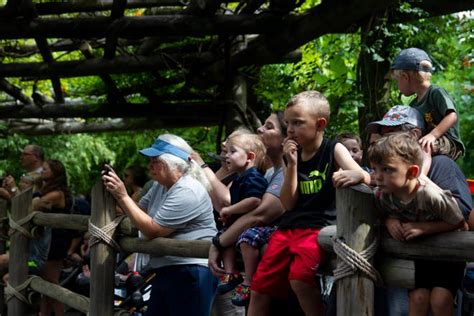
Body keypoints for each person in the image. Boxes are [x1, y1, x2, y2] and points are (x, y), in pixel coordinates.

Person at [248, 90, 371, 316]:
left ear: (320, 124)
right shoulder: (290, 154)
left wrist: (358, 175)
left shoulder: (333, 149)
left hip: (317, 229)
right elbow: (288, 203)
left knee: (300, 280)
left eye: (298, 123)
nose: (291, 129)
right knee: (259, 288)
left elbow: (367, 177)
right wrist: (292, 165)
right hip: (288, 228)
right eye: (288, 123)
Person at [366, 105, 473, 316]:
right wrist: (389, 221)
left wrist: (424, 226)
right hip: (414, 257)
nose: (383, 139)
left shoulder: (441, 166)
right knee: (417, 299)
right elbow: (379, 209)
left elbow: (461, 213)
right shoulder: (387, 182)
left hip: (446, 253)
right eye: (382, 134)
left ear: (414, 134)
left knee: (440, 300)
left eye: (391, 133)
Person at [103, 134, 218, 316]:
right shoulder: (161, 185)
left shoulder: (188, 190)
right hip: (167, 268)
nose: (149, 166)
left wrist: (122, 195)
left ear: (170, 163)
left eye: (154, 161)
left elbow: (152, 229)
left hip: (191, 271)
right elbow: (137, 211)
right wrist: (114, 193)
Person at [193, 111, 288, 314]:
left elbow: (259, 214)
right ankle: (232, 275)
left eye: (269, 127)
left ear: (286, 138)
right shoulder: (268, 173)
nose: (260, 129)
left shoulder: (284, 173)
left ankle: (243, 280)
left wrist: (218, 242)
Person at [213, 132, 269, 306]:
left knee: (246, 239)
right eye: (226, 151)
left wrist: (230, 209)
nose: (227, 156)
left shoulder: (253, 177)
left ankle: (249, 281)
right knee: (224, 237)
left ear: (250, 157)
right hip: (238, 223)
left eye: (232, 152)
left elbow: (254, 200)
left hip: (254, 227)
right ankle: (231, 273)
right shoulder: (238, 177)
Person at [390, 48, 465, 162]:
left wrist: (433, 135)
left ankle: (422, 178)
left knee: (422, 147)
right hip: (426, 140)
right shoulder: (414, 104)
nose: (397, 85)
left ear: (405, 77)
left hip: (448, 142)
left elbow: (452, 116)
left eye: (396, 81)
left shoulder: (435, 92)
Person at [34, 159, 75, 316]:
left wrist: (13, 190)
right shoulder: (49, 190)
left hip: (55, 241)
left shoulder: (57, 193)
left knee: (51, 281)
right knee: (47, 282)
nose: (41, 172)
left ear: (55, 173)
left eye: (45, 169)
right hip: (48, 240)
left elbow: (33, 205)